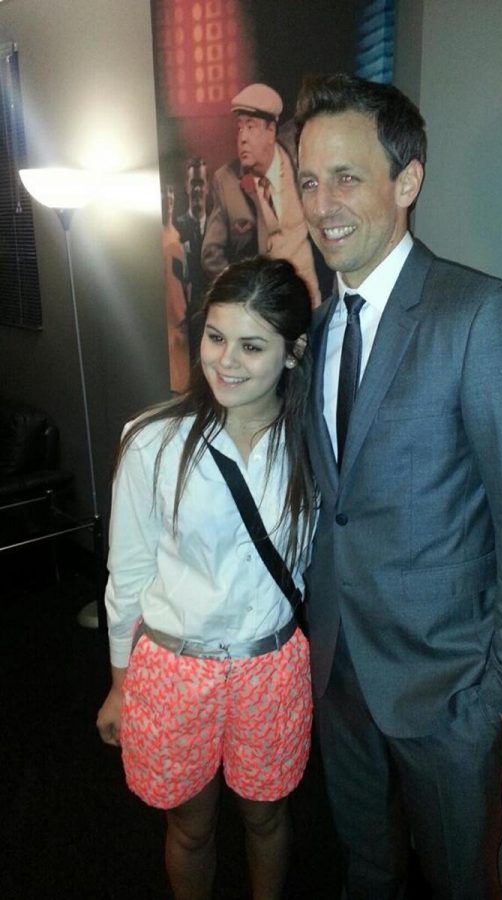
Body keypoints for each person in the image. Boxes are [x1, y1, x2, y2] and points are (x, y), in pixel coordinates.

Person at [294, 73, 502, 899]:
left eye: (345, 177)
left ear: (406, 181)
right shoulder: (320, 327)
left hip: (449, 696)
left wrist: (497, 696)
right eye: (308, 181)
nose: (321, 203)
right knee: (366, 869)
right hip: (341, 674)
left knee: (459, 883)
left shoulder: (484, 317)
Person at [96, 256, 315, 900]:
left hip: (270, 666)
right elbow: (128, 572)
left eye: (252, 345)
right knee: (189, 828)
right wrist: (119, 686)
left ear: (293, 352)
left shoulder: (313, 445)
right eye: (215, 337)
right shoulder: (153, 442)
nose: (225, 361)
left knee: (266, 818)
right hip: (172, 668)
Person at [201, 82, 321, 306]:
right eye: (239, 128)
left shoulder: (300, 159)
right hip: (264, 317)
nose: (242, 138)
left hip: (312, 308)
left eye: (251, 127)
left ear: (271, 131)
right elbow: (211, 255)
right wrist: (242, 299)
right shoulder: (225, 181)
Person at [175, 156, 210, 359]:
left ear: (207, 187)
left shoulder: (219, 224)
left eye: (201, 183)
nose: (197, 190)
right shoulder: (176, 228)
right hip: (187, 316)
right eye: (193, 184)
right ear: (187, 188)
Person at [161, 181, 190, 391]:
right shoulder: (154, 239)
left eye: (170, 191)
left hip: (182, 324)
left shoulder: (180, 237)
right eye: (163, 191)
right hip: (165, 325)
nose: (167, 197)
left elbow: (185, 280)